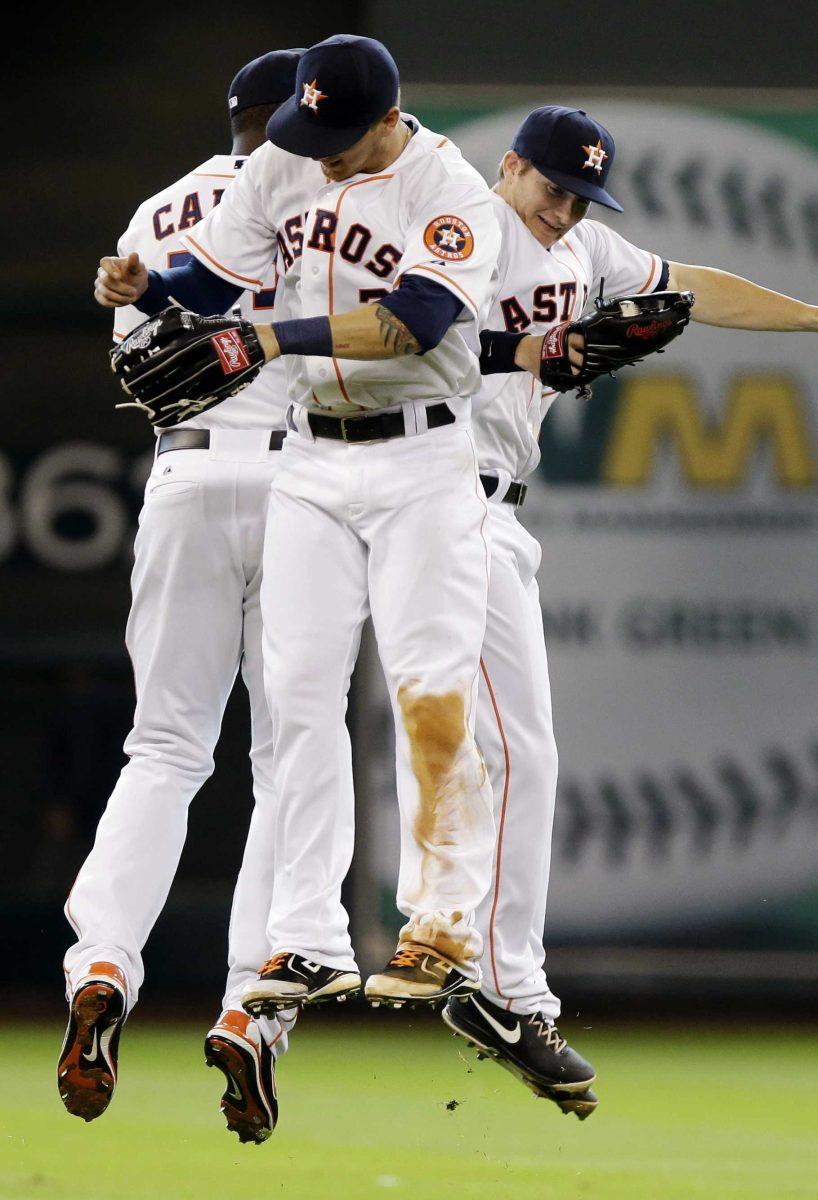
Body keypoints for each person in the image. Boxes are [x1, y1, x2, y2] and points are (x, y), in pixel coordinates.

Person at [436, 104, 818, 1119]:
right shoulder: (453, 232)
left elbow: (690, 286)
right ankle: (495, 987)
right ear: (507, 166)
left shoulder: (585, 250)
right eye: (550, 186)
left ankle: (463, 968)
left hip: (479, 512)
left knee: (482, 751)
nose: (564, 209)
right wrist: (520, 355)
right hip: (433, 504)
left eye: (580, 194)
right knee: (512, 753)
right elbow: (400, 337)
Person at [93, 36, 503, 1032]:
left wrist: (270, 337)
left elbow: (408, 321)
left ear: (385, 120)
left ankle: (439, 932)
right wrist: (141, 286)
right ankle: (307, 936)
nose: (312, 153)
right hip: (309, 458)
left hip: (419, 459)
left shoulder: (449, 192)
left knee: (427, 690)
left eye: (335, 136)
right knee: (301, 702)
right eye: (304, 129)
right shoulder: (285, 158)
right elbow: (208, 279)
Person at [58, 50, 303, 1141]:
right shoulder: (342, 203)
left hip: (188, 469)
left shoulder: (164, 207)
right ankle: (252, 1007)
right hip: (311, 484)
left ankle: (102, 962)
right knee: (291, 761)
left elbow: (138, 368)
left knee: (162, 750)